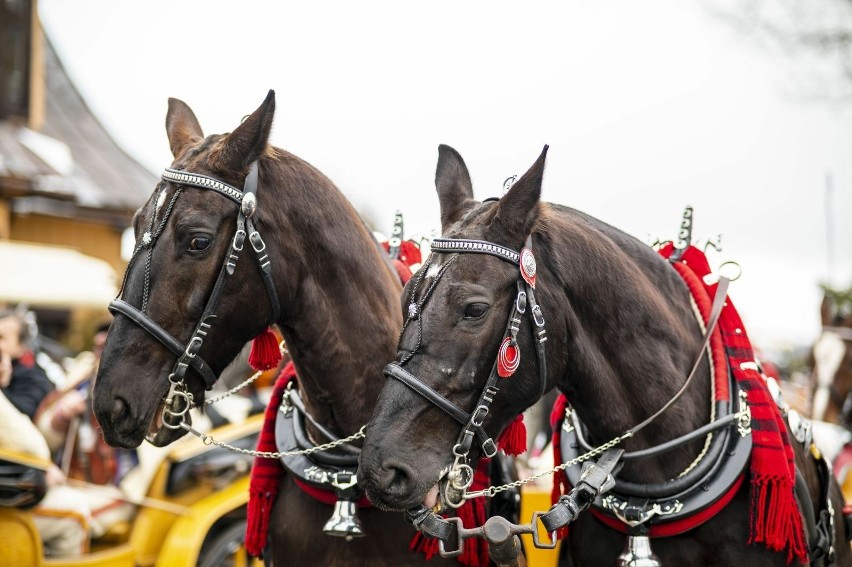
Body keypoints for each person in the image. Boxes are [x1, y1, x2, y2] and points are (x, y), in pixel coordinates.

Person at [0, 309, 55, 419]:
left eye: (1, 337)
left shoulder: (34, 378)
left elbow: (23, 416)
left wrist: (2, 387)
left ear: (21, 346)